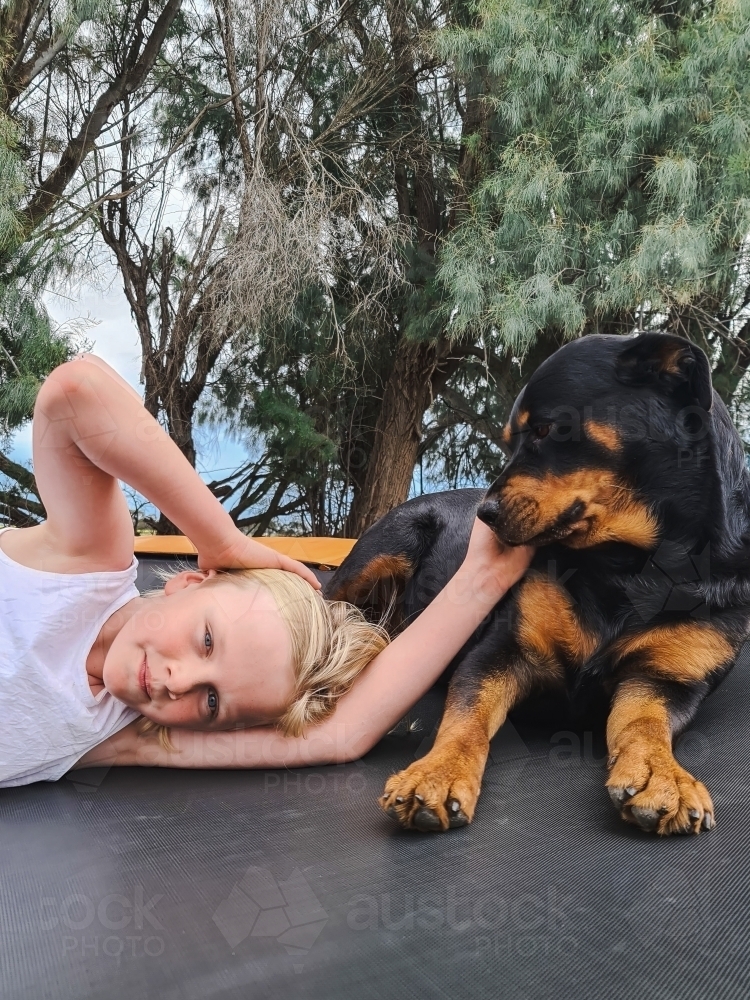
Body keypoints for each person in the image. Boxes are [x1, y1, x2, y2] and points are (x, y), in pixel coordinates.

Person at [0, 354, 534, 786]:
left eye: (211, 702)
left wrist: (483, 580)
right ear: (188, 581)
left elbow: (340, 736)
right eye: (206, 639)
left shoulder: (124, 734)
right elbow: (74, 395)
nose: (178, 681)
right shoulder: (87, 562)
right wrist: (221, 539)